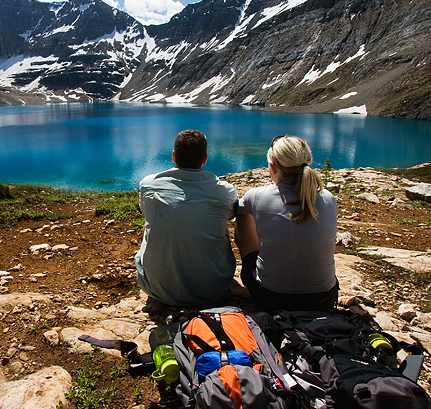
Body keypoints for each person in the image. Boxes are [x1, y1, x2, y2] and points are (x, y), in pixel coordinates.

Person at [135, 129, 239, 307]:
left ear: (174, 156)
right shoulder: (225, 192)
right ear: (205, 158)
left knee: (151, 222)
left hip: (158, 290)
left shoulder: (148, 184)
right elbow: (231, 215)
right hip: (212, 291)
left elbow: (146, 215)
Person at [235, 135, 337, 312]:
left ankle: (260, 263)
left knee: (243, 215)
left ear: (273, 166)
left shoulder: (258, 196)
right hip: (323, 299)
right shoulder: (329, 198)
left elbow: (236, 209)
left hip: (272, 298)